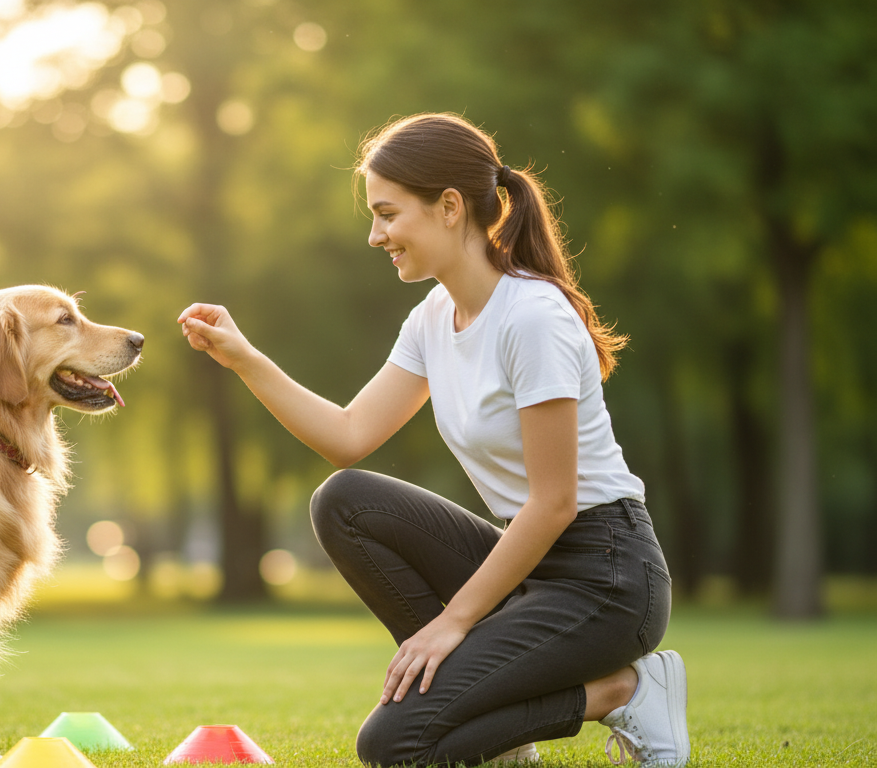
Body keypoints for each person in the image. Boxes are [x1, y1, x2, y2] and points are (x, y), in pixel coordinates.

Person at [177, 113, 689, 767]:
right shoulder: (431, 319)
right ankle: (502, 725)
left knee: (395, 744)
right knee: (346, 501)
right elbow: (348, 436)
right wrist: (245, 357)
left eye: (387, 214)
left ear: (449, 207)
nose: (374, 235)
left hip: (607, 579)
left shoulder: (531, 318)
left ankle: (623, 690)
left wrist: (454, 623)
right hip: (530, 568)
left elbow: (555, 503)